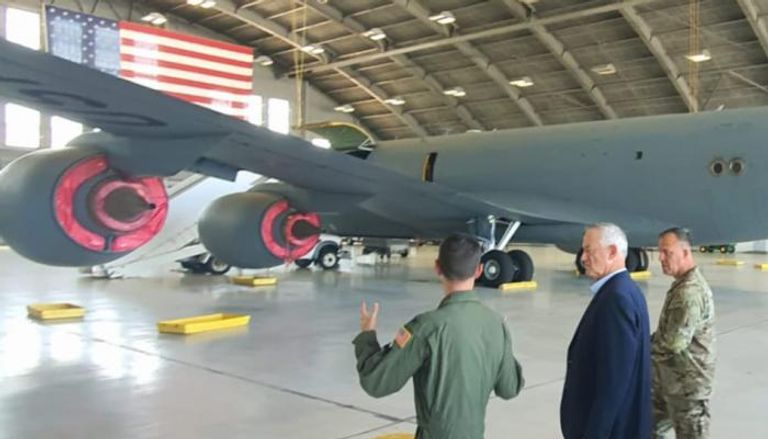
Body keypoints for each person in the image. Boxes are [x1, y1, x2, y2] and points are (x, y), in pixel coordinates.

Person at [352, 233, 524, 439]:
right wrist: (503, 340)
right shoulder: (496, 324)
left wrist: (367, 335)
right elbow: (509, 388)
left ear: (437, 268)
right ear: (479, 270)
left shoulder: (425, 327)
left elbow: (377, 382)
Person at [561, 223, 651, 439]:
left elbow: (613, 383)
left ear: (612, 252)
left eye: (589, 250)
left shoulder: (616, 300)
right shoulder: (626, 290)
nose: (583, 258)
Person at [653, 227, 716, 438]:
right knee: (648, 428)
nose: (661, 258)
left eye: (667, 252)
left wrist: (639, 347)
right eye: (660, 252)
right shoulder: (682, 285)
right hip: (671, 381)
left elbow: (673, 342)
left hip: (688, 389)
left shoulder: (689, 292)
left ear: (685, 252)